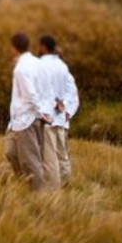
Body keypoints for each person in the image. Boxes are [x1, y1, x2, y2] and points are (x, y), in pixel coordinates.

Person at [6, 33, 50, 191]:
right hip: (20, 119)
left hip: (27, 119)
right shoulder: (37, 63)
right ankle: (25, 183)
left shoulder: (21, 69)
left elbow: (30, 94)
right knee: (11, 152)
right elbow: (46, 88)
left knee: (30, 160)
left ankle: (38, 194)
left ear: (14, 48)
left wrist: (42, 112)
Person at [38, 35, 79, 187]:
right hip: (60, 116)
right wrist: (66, 108)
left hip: (47, 115)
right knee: (62, 152)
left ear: (43, 47)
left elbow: (37, 90)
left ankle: (53, 187)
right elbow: (71, 92)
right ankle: (65, 182)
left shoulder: (40, 64)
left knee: (50, 154)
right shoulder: (63, 67)